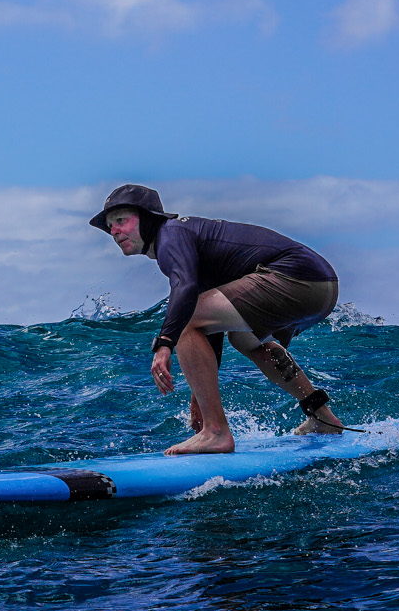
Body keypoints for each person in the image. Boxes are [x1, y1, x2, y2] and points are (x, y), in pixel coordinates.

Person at [90, 183, 346, 454]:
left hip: (295, 278)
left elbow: (186, 293)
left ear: (150, 217)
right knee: (245, 340)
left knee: (188, 318)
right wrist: (199, 395)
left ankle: (215, 432)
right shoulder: (185, 239)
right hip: (320, 286)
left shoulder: (171, 234)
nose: (114, 231)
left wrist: (164, 344)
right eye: (110, 226)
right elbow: (208, 329)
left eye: (121, 221)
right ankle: (322, 417)